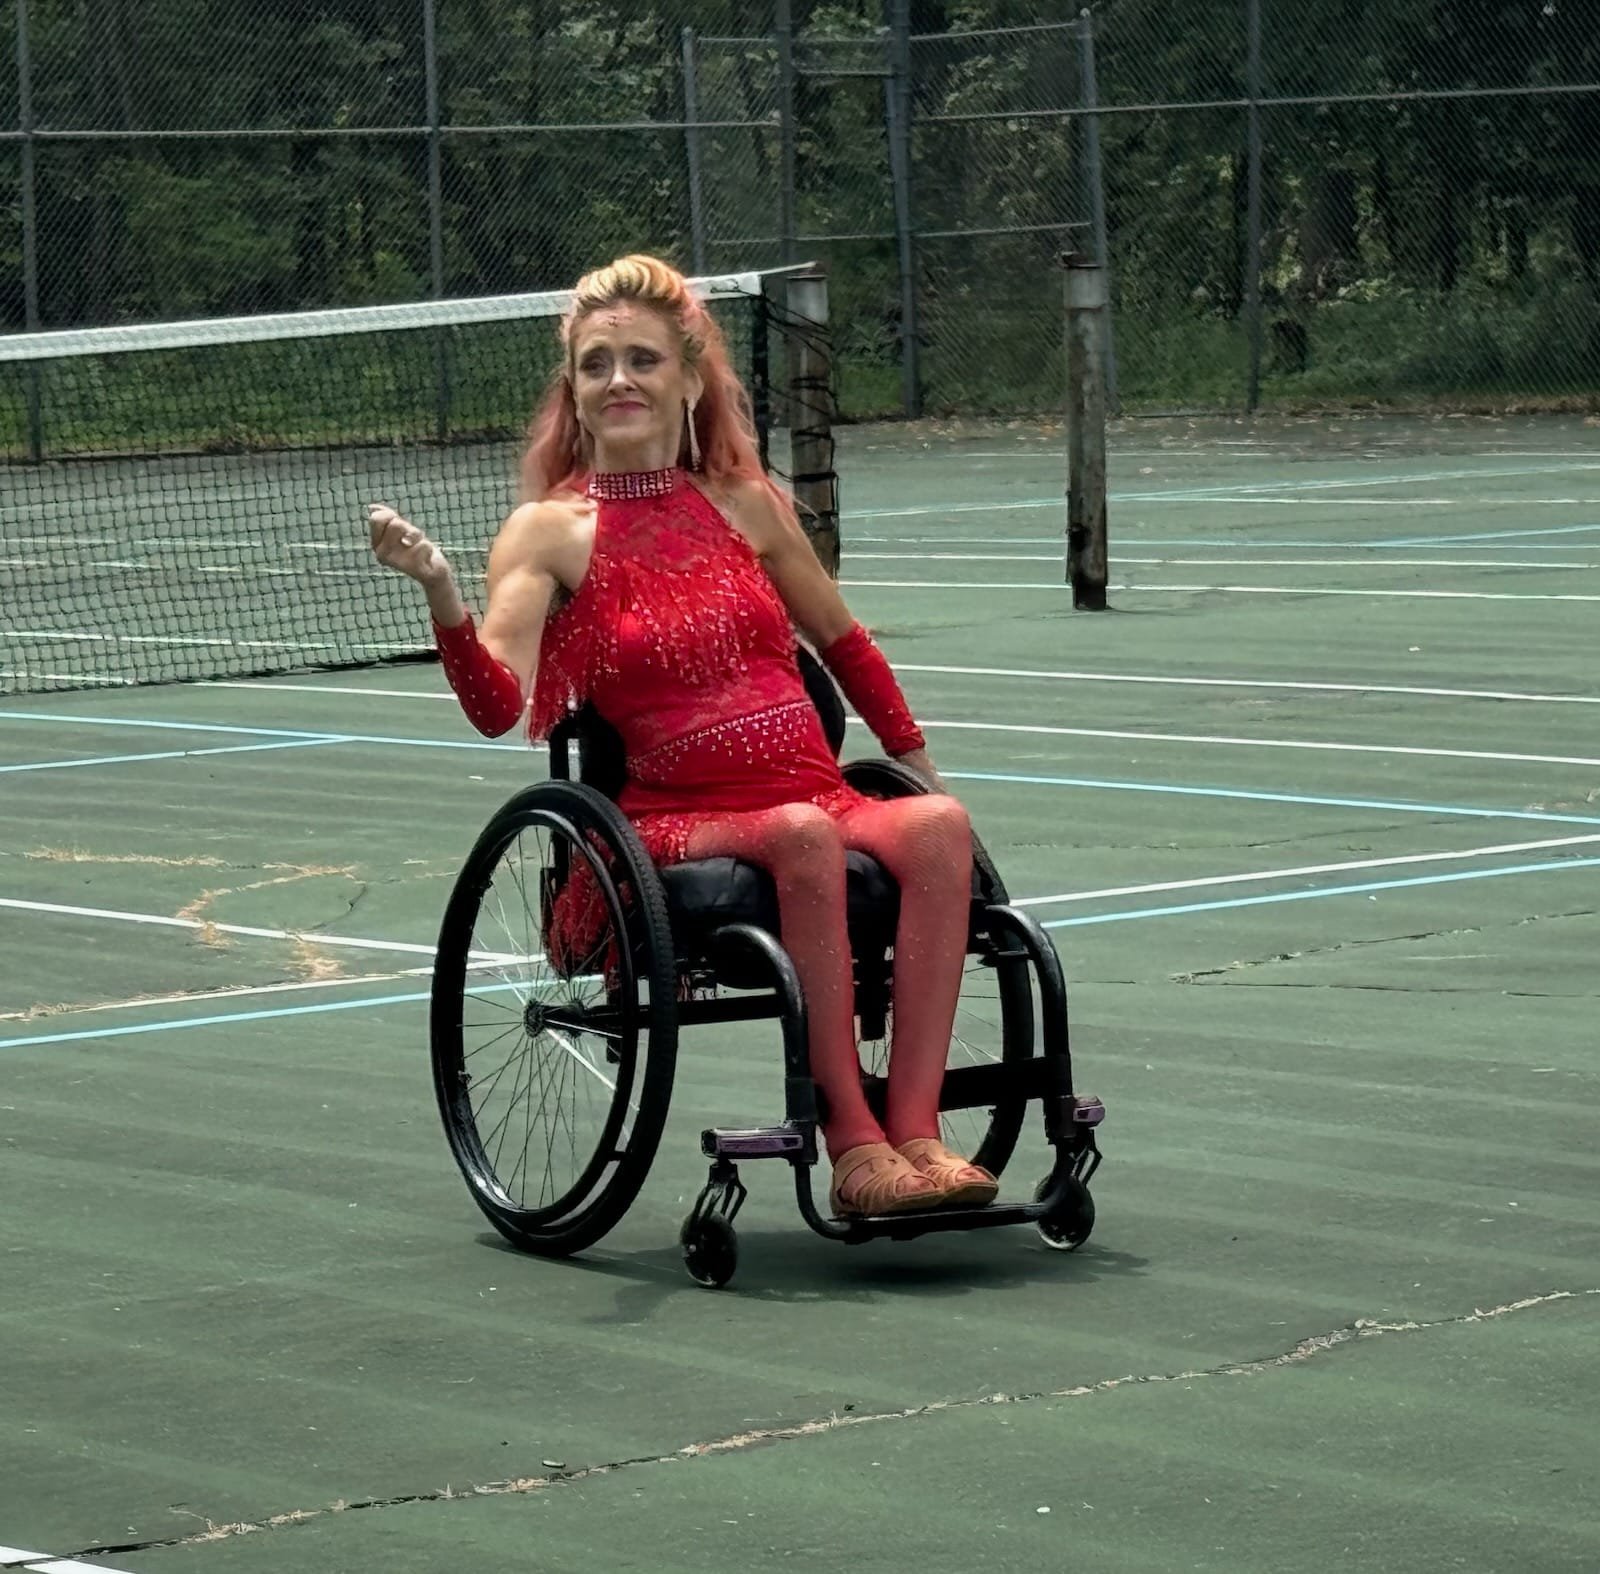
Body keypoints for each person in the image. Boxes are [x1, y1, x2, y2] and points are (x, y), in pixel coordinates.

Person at [368, 253, 996, 1218]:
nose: (619, 378)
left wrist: (914, 763)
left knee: (939, 827)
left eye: (644, 359)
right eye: (596, 363)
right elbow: (498, 704)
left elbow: (844, 641)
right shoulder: (547, 531)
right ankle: (854, 1144)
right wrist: (442, 594)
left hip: (811, 787)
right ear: (574, 395)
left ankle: (916, 1129)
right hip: (675, 816)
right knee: (803, 834)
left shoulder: (748, 506)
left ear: (691, 380)